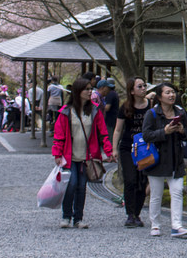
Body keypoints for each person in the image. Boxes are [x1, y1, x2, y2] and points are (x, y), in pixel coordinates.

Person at [51, 76, 114, 229]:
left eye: (90, 89)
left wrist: (108, 151)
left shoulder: (94, 111)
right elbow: (59, 135)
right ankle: (66, 216)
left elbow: (102, 132)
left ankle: (78, 218)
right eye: (86, 89)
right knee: (71, 185)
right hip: (69, 155)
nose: (89, 92)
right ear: (78, 91)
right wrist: (57, 154)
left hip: (87, 156)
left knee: (81, 186)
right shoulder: (66, 112)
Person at [141, 83, 187, 239]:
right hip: (157, 159)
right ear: (159, 96)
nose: (172, 95)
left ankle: (177, 226)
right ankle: (155, 224)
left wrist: (182, 131)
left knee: (177, 192)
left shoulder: (181, 112)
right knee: (156, 194)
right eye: (167, 92)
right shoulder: (152, 113)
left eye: (173, 92)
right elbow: (146, 135)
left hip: (176, 158)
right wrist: (164, 131)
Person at [111, 76, 151, 227]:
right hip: (128, 147)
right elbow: (118, 129)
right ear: (132, 90)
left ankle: (137, 213)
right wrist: (114, 148)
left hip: (145, 148)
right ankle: (130, 214)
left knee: (142, 181)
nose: (143, 89)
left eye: (144, 86)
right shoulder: (126, 107)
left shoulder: (151, 106)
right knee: (130, 179)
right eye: (139, 86)